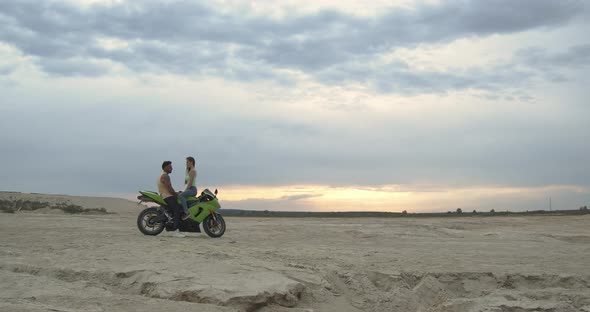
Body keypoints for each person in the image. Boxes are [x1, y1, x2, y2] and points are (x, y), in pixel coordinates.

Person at [157, 161, 185, 238]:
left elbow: (168, 188)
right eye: (170, 167)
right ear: (165, 167)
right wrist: (177, 194)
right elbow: (169, 189)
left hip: (165, 195)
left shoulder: (162, 175)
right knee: (177, 210)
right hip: (167, 196)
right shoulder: (165, 176)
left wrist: (176, 192)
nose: (172, 168)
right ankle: (176, 231)